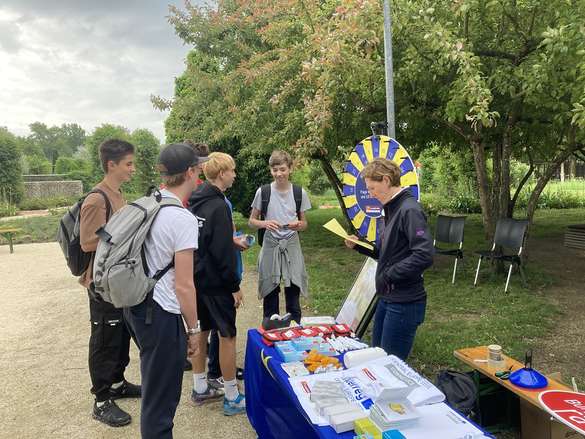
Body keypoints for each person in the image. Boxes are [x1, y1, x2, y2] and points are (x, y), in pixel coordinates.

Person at [124, 143, 205, 438]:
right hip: (159, 312)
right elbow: (184, 285)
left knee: (155, 390)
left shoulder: (151, 202)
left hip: (137, 305)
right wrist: (194, 330)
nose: (200, 177)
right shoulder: (181, 218)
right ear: (189, 172)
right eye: (198, 171)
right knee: (160, 402)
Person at [344, 158, 434, 361]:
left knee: (389, 365)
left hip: (404, 302)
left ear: (386, 180)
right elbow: (389, 252)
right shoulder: (393, 208)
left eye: (373, 188)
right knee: (377, 358)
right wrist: (359, 245)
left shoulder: (409, 210)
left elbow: (424, 254)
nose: (371, 194)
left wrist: (389, 274)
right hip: (388, 297)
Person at [80, 139, 140, 427]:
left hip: (116, 282)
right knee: (104, 339)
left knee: (121, 334)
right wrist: (120, 234)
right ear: (111, 164)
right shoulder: (96, 199)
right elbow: (87, 240)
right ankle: (101, 400)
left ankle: (117, 384)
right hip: (101, 284)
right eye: (128, 163)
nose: (133, 168)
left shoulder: (118, 194)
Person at [188, 152, 246, 415]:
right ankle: (232, 396)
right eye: (232, 170)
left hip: (198, 278)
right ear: (222, 173)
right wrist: (234, 285)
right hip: (217, 283)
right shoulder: (220, 205)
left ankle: (200, 387)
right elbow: (223, 251)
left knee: (200, 332)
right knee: (227, 337)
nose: (234, 174)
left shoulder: (195, 201)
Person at [248, 150, 311, 324]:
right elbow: (252, 221)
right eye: (275, 170)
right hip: (271, 242)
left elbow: (304, 224)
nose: (279, 174)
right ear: (271, 170)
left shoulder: (299, 193)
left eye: (282, 169)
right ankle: (270, 326)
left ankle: (295, 324)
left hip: (291, 241)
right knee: (270, 288)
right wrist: (265, 223)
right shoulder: (264, 192)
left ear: (290, 169)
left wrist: (298, 225)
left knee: (293, 286)